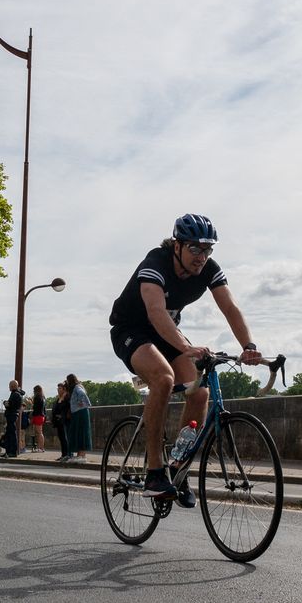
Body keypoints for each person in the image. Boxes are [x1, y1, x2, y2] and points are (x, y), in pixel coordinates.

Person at [108, 213, 261, 506]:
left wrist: (249, 346)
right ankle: (155, 471)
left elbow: (230, 307)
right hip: (132, 331)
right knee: (163, 379)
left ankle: (178, 464)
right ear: (177, 245)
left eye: (207, 250)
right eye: (195, 249)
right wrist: (185, 346)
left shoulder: (208, 269)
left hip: (168, 334)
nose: (201, 257)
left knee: (200, 390)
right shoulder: (156, 262)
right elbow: (155, 312)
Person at [65, 374, 92, 463]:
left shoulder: (77, 387)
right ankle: (80, 455)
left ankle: (82, 455)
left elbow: (82, 393)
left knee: (81, 433)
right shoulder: (77, 387)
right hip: (79, 412)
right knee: (79, 433)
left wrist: (81, 401)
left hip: (80, 412)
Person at [0, 380, 25, 458]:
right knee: (9, 434)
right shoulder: (16, 394)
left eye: (10, 386)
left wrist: (5, 403)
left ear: (13, 386)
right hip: (12, 415)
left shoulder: (15, 394)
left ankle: (12, 452)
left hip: (12, 415)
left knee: (11, 434)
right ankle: (8, 451)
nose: (9, 387)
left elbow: (10, 404)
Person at [51, 382, 72, 462]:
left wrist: (62, 416)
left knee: (65, 438)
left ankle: (67, 454)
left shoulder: (66, 398)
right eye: (58, 388)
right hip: (58, 422)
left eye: (60, 388)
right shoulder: (58, 398)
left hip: (64, 421)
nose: (58, 390)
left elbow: (66, 408)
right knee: (61, 438)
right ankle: (63, 454)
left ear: (64, 389)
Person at [29, 385, 47, 453]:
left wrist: (31, 403)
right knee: (39, 432)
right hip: (41, 416)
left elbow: (35, 407)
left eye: (34, 391)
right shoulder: (42, 397)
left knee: (39, 432)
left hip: (38, 416)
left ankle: (41, 448)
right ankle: (41, 447)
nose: (33, 392)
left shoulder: (37, 397)